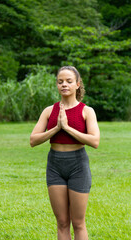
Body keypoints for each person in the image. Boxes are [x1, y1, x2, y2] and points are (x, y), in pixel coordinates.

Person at [30, 66, 100, 240]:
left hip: (78, 165)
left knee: (78, 223)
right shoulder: (49, 111)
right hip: (55, 165)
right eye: (60, 81)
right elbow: (33, 140)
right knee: (62, 222)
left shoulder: (86, 111)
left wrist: (67, 128)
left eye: (69, 81)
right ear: (57, 85)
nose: (64, 84)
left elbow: (95, 141)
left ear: (77, 84)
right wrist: (56, 128)